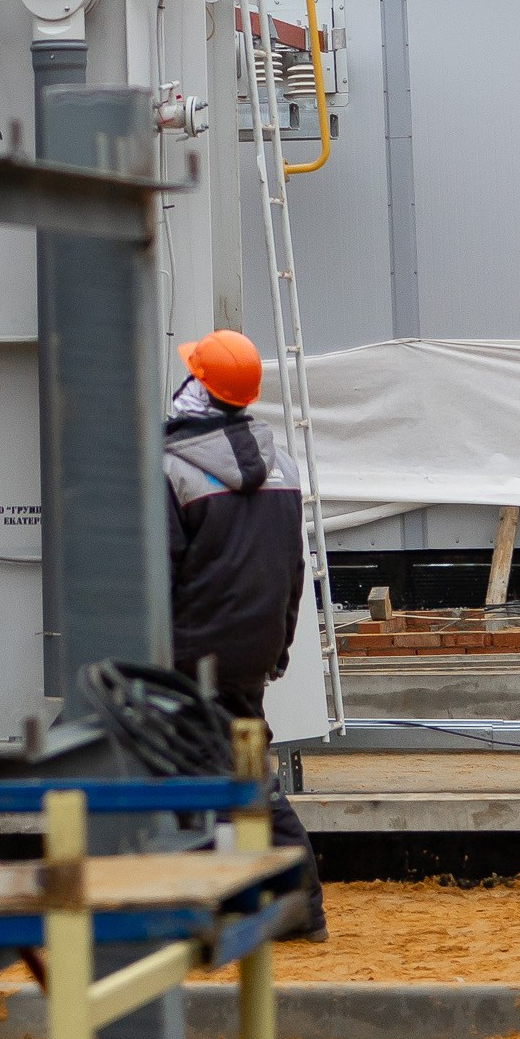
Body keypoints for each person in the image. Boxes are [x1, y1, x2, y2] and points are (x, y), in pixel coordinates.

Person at [163, 327, 326, 935]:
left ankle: (225, 911)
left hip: (192, 654)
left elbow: (163, 574)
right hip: (250, 651)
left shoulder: (174, 469)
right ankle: (294, 907)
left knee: (196, 781)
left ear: (197, 388)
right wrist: (277, 648)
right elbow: (291, 571)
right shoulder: (281, 466)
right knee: (241, 771)